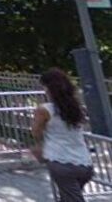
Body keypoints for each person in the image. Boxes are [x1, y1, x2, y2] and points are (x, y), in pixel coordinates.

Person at [32, 68, 94, 202]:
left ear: (48, 88)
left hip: (59, 160)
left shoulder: (44, 110)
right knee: (68, 197)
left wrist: (39, 146)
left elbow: (36, 131)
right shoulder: (76, 107)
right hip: (84, 162)